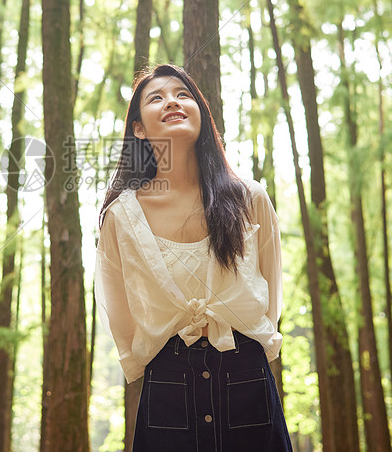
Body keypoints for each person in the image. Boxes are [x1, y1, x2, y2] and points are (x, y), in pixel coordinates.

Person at [95, 64, 292, 451]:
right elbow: (123, 320)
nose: (172, 101)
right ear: (138, 128)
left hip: (247, 381)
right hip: (167, 388)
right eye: (157, 97)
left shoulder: (248, 199)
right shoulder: (120, 217)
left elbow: (272, 296)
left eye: (183, 94)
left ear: (201, 111)